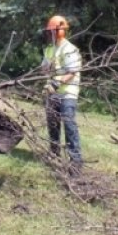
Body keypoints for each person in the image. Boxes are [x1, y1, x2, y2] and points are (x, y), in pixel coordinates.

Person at [41, 15, 83, 170]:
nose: (49, 34)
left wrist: (56, 82)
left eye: (51, 31)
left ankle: (76, 161)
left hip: (67, 93)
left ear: (59, 31)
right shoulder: (50, 49)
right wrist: (46, 68)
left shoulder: (69, 49)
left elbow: (72, 71)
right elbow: (44, 68)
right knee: (52, 124)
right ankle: (54, 154)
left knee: (69, 125)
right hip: (52, 92)